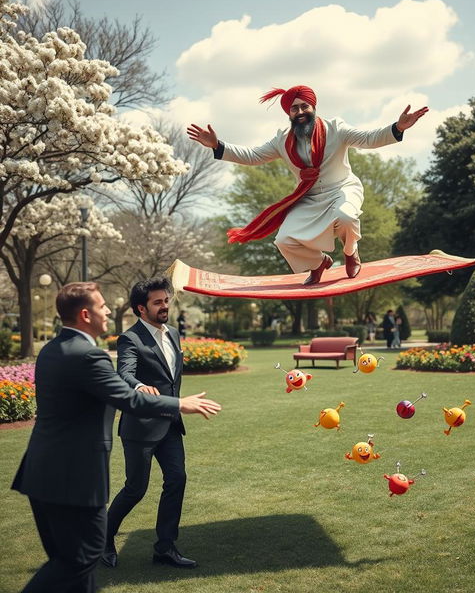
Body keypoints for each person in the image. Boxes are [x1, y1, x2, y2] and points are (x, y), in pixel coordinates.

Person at [11, 282, 221, 593]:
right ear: (85, 314)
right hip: (74, 477)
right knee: (79, 559)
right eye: (101, 306)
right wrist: (179, 403)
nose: (109, 310)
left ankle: (165, 546)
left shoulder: (52, 350)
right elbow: (127, 392)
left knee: (71, 564)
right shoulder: (89, 355)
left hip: (42, 472)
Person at [187, 85, 428, 285]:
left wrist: (398, 128)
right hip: (310, 198)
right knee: (283, 241)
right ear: (288, 114)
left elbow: (367, 139)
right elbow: (252, 156)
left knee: (346, 217)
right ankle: (318, 263)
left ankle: (350, 252)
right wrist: (217, 145)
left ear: (313, 108)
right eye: (294, 108)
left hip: (342, 188)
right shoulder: (281, 140)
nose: (300, 111)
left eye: (305, 106)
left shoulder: (336, 128)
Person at [104, 278, 197, 569]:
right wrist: (138, 385)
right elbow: (125, 373)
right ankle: (102, 539)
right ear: (141, 309)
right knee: (135, 488)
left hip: (170, 424)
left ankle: (165, 548)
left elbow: (170, 378)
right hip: (140, 428)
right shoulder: (130, 339)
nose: (165, 306)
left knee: (177, 479)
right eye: (158, 302)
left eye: (166, 300)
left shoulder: (173, 334)